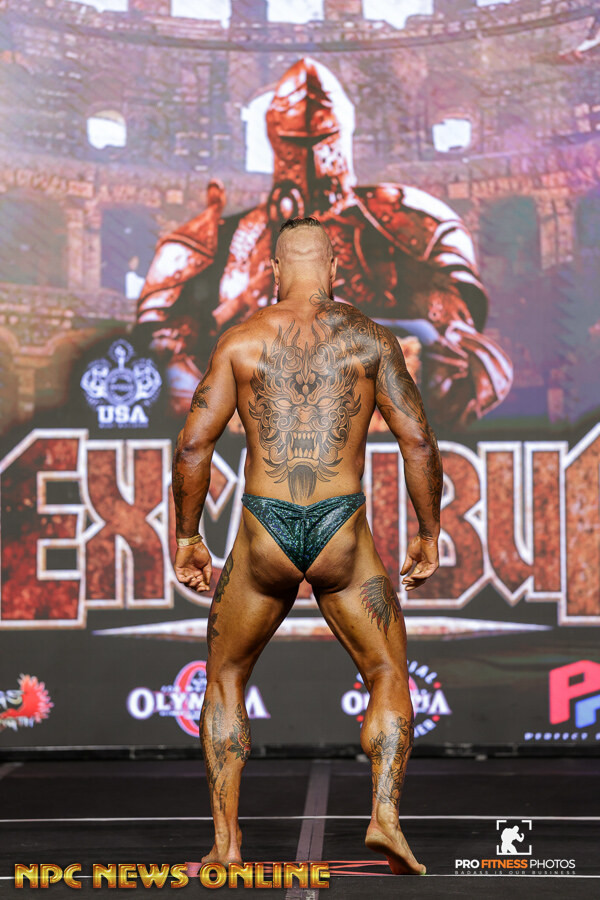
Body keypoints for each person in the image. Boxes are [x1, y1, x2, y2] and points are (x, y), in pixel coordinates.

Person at [171, 217, 442, 876]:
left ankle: (227, 846)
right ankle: (384, 817)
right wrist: (428, 532)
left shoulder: (241, 340)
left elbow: (194, 445)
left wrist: (187, 535)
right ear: (334, 265)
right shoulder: (370, 339)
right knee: (386, 673)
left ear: (272, 268)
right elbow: (417, 440)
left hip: (265, 527)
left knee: (226, 678)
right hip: (339, 528)